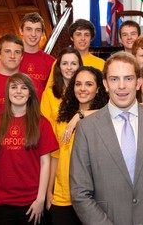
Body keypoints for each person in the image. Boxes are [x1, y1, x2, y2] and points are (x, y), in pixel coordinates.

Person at [69, 52, 143, 225]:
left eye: (128, 79)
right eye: (114, 79)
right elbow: (79, 192)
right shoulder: (87, 128)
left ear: (138, 83)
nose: (121, 86)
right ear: (105, 84)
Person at [0, 73, 58, 225]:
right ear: (7, 91)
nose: (18, 91)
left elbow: (45, 163)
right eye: (14, 87)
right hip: (0, 202)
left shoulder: (42, 123)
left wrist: (40, 199)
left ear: (30, 93)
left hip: (31, 202)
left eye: (24, 88)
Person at [46, 66, 108, 225]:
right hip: (63, 195)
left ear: (98, 89)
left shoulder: (105, 119)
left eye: (89, 84)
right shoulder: (63, 118)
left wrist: (80, 116)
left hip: (94, 197)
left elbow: (116, 111)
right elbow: (55, 156)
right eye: (78, 84)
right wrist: (48, 191)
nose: (82, 89)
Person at [40, 47, 83, 129]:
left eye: (74, 63)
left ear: (79, 66)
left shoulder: (86, 91)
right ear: (59, 67)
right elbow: (44, 125)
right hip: (55, 141)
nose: (69, 67)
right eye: (65, 63)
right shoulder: (49, 93)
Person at [18, 12, 55, 88]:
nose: (33, 34)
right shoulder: (9, 58)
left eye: (38, 30)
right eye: (29, 29)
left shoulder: (51, 62)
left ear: (42, 33)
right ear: (21, 31)